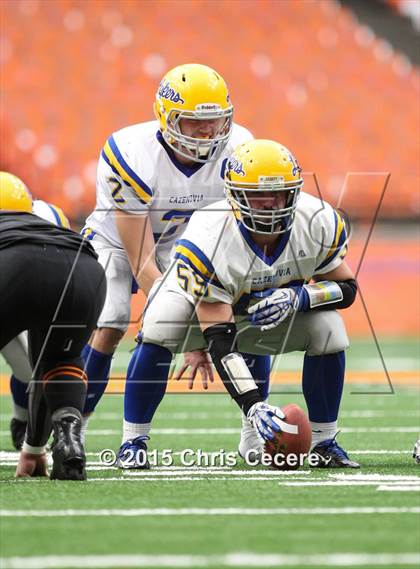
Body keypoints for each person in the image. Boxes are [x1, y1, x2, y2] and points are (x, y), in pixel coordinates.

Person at [120, 139, 360, 469]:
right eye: (258, 196)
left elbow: (347, 288)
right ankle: (133, 440)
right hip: (197, 309)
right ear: (234, 195)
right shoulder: (209, 233)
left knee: (330, 328)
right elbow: (220, 337)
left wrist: (300, 297)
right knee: (161, 321)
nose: (270, 205)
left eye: (279, 194)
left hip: (264, 312)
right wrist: (252, 404)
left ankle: (325, 442)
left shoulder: (317, 219)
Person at [81, 63, 271, 457]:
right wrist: (189, 328)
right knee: (112, 319)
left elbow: (227, 242)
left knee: (249, 310)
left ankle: (253, 428)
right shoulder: (130, 153)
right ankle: (72, 425)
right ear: (168, 118)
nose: (208, 132)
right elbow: (141, 262)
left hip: (193, 246)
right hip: (120, 243)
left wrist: (210, 316)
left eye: (215, 121)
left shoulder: (239, 148)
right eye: (194, 123)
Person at [0, 172, 106, 480]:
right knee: (59, 362)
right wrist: (32, 449)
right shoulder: (47, 213)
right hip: (83, 269)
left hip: (13, 266)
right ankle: (68, 435)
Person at [2, 198, 71, 450]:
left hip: (28, 295)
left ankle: (25, 422)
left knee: (35, 369)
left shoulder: (48, 215)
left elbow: (65, 256)